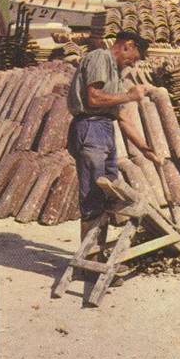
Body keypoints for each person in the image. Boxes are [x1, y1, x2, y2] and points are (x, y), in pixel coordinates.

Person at [66, 30, 161, 249]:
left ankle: (97, 252)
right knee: (92, 194)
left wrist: (145, 148)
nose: (132, 65)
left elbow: (123, 117)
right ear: (128, 45)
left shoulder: (116, 74)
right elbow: (93, 98)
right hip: (90, 126)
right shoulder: (100, 57)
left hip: (105, 129)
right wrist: (130, 95)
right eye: (134, 58)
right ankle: (89, 257)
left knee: (107, 194)